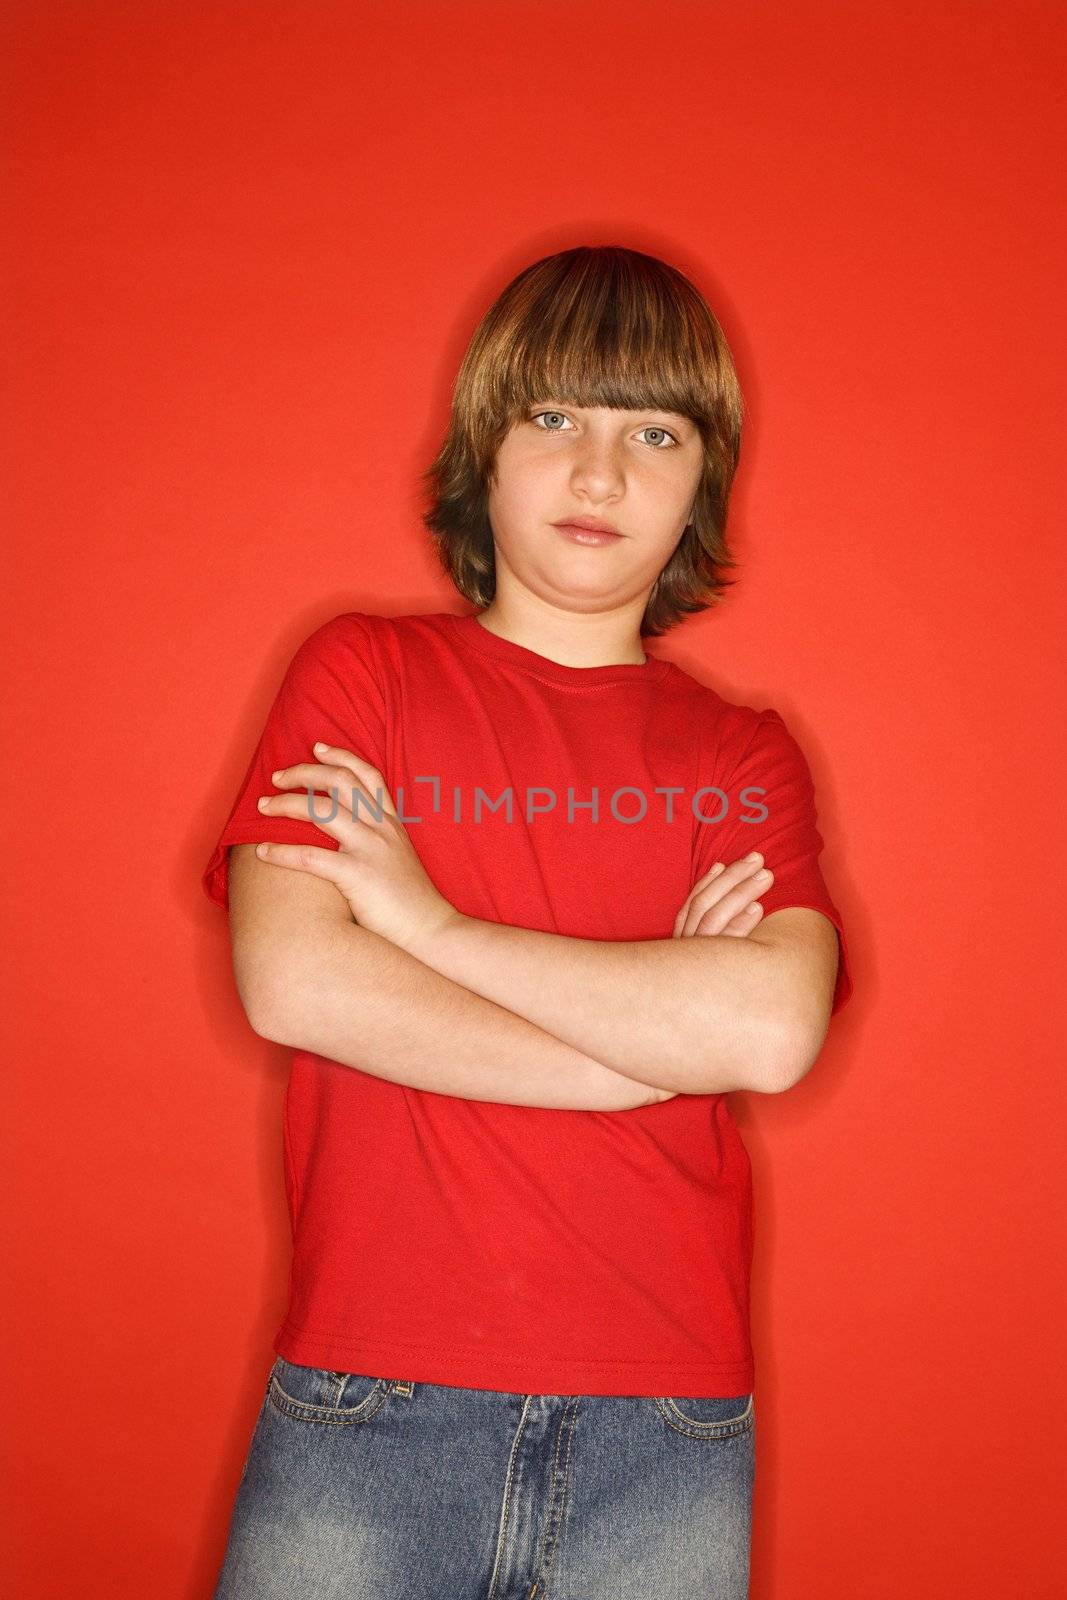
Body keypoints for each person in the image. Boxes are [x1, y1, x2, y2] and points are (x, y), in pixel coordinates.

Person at [203, 244, 853, 1599]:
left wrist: (429, 929)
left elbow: (772, 1031)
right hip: (366, 1401)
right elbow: (297, 983)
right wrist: (649, 1046)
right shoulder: (363, 674)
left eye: (651, 431)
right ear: (483, 448)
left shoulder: (743, 756)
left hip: (664, 1428)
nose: (600, 474)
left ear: (700, 484)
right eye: (555, 416)